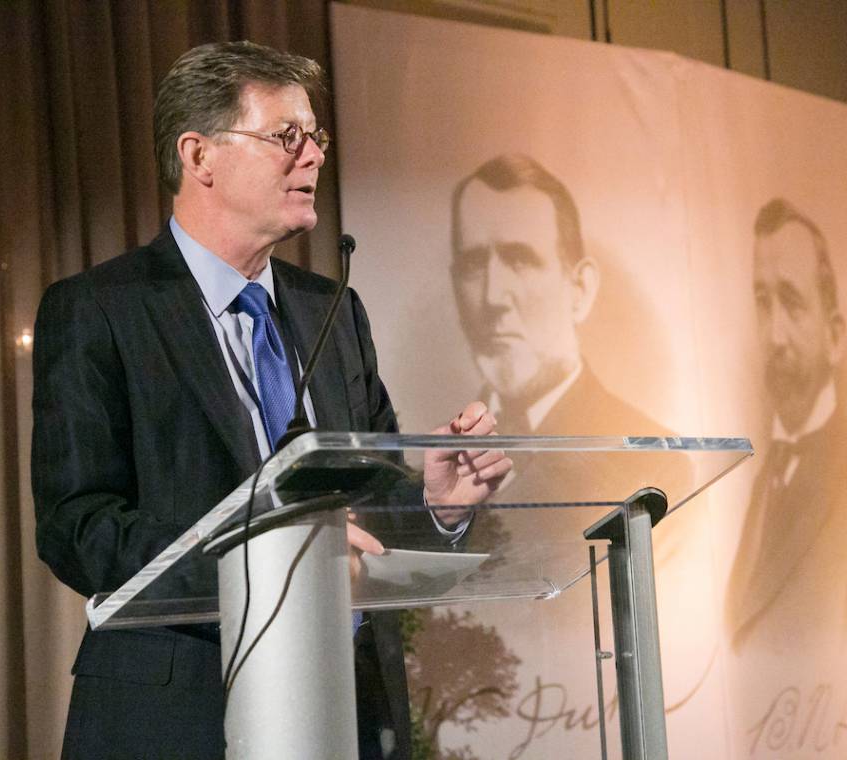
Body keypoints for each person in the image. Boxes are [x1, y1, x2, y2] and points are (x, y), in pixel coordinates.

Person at [31, 41, 508, 760]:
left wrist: (436, 504)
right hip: (174, 717)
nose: (313, 156)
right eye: (288, 137)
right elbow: (79, 527)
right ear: (200, 158)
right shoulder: (101, 310)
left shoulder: (332, 310)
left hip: (345, 710)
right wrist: (255, 558)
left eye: (316, 137)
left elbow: (367, 512)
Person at [726, 198, 847, 653]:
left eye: (792, 302)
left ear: (835, 336)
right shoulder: (763, 483)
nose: (774, 334)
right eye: (763, 303)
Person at [449, 153, 664, 437]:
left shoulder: (653, 458)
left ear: (580, 290)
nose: (493, 297)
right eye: (474, 265)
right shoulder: (434, 464)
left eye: (520, 261)